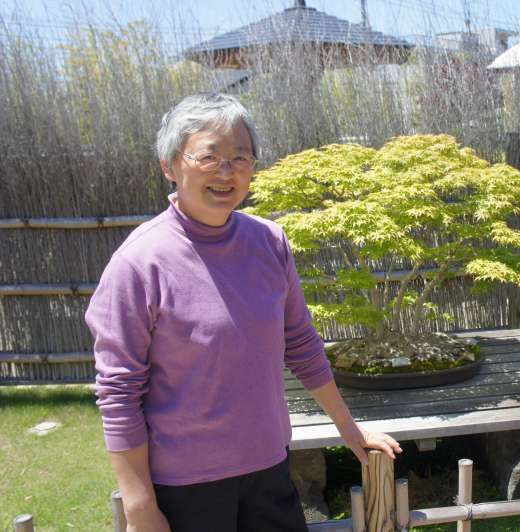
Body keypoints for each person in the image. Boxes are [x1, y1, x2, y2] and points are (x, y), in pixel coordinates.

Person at [85, 93, 402, 532]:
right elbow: (119, 391)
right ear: (169, 164)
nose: (227, 171)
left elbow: (303, 345)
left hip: (268, 467)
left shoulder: (269, 242)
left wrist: (350, 430)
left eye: (241, 157)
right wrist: (141, 506)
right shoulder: (139, 263)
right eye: (209, 157)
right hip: (186, 486)